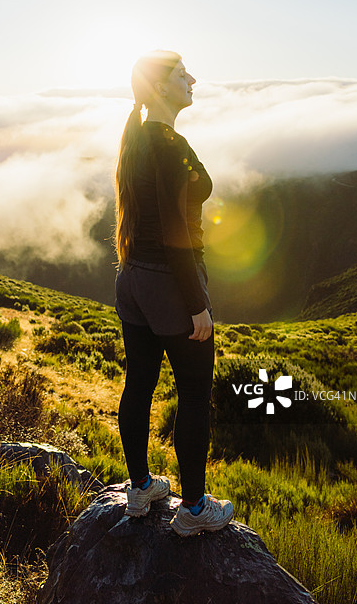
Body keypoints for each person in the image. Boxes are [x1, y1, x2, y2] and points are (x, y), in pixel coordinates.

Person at [115, 49, 233, 537]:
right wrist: (196, 304)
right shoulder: (169, 144)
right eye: (182, 74)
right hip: (170, 282)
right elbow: (173, 231)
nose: (193, 79)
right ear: (160, 87)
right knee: (194, 395)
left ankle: (140, 488)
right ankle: (194, 509)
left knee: (138, 384)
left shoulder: (139, 137)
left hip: (133, 280)